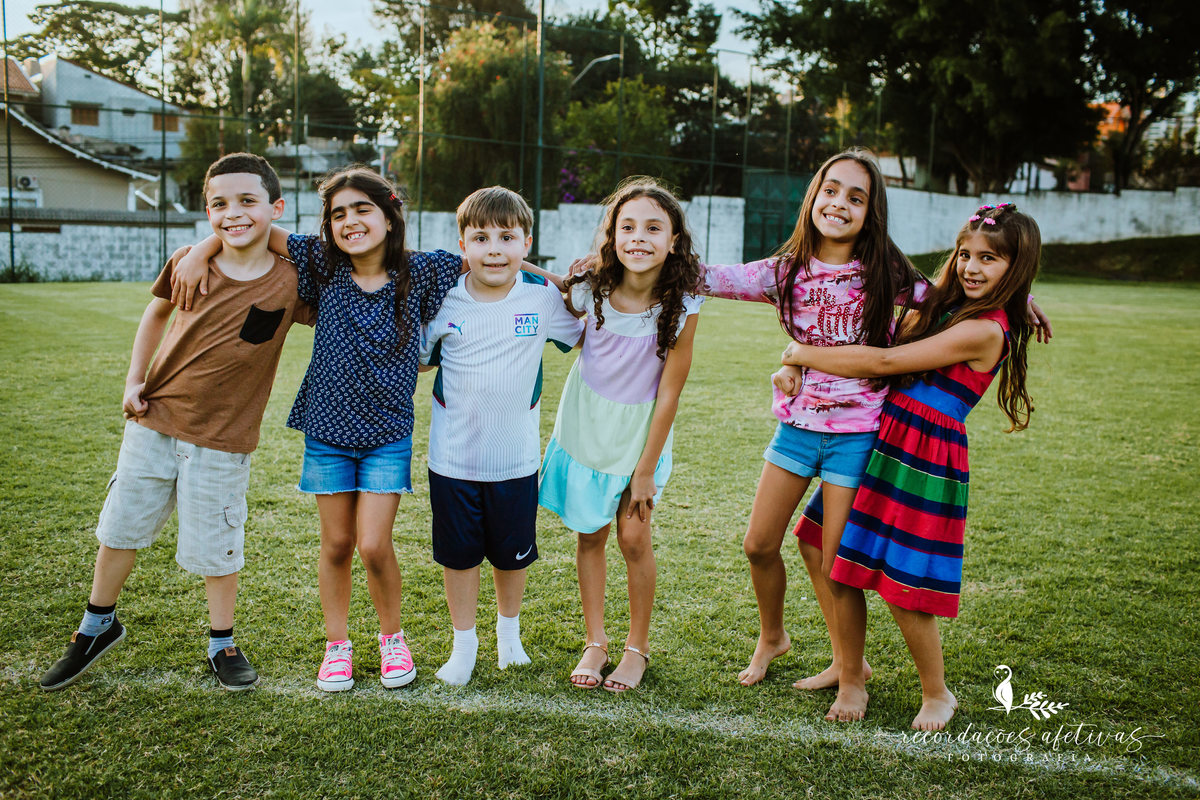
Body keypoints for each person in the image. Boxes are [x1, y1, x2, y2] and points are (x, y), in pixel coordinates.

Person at [40, 153, 313, 692]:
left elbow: (345, 281)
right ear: (205, 211)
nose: (232, 213)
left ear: (276, 208)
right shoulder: (190, 260)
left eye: (247, 201)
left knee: (219, 544)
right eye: (218, 204)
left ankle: (222, 642)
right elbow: (155, 314)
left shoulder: (292, 281)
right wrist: (132, 380)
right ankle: (96, 626)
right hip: (154, 420)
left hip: (224, 436)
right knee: (121, 527)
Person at [774, 202, 1041, 730]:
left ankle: (937, 692)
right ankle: (849, 662)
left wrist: (799, 352)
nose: (971, 266)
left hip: (922, 460)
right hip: (884, 440)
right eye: (965, 254)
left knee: (902, 583)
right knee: (816, 542)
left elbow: (885, 362)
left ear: (1017, 267)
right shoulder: (949, 304)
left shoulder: (985, 330)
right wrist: (1026, 296)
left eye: (990, 259)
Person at [699, 148, 927, 690]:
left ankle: (852, 676)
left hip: (856, 437)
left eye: (856, 197)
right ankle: (773, 636)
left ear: (871, 212)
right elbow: (709, 277)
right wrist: (618, 260)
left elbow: (947, 300)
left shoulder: (885, 270)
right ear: (814, 197)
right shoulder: (786, 272)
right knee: (758, 543)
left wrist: (1017, 299)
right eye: (831, 190)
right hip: (796, 431)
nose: (840, 203)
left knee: (835, 565)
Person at [540, 177, 703, 693]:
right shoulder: (594, 289)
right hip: (585, 425)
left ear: (673, 240)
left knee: (634, 537)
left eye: (654, 228)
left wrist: (646, 470)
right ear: (611, 236)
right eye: (627, 226)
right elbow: (552, 298)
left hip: (639, 435)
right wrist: (566, 276)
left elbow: (671, 394)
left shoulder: (684, 302)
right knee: (590, 534)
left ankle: (636, 648)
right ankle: (595, 641)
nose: (639, 237)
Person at [419, 187, 582, 685]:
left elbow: (584, 318)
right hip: (452, 461)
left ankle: (509, 637)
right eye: (481, 237)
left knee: (513, 556)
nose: (494, 248)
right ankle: (463, 646)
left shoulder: (542, 299)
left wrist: (549, 277)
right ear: (462, 244)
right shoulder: (445, 302)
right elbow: (422, 360)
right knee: (459, 556)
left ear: (526, 243)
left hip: (515, 462)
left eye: (507, 237)